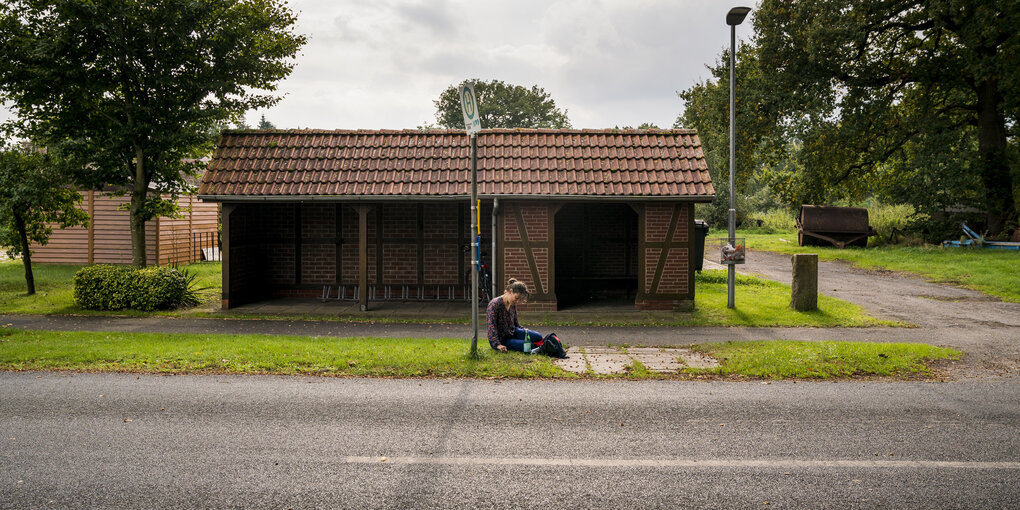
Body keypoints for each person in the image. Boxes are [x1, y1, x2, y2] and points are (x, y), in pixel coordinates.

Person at [486, 277, 543, 354]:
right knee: (530, 345)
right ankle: (539, 347)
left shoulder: (512, 304)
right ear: (511, 291)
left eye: (519, 300)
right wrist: (497, 345)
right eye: (516, 298)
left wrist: (523, 331)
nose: (517, 301)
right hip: (502, 339)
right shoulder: (494, 304)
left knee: (538, 336)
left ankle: (544, 344)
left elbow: (515, 323)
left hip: (513, 332)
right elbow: (491, 326)